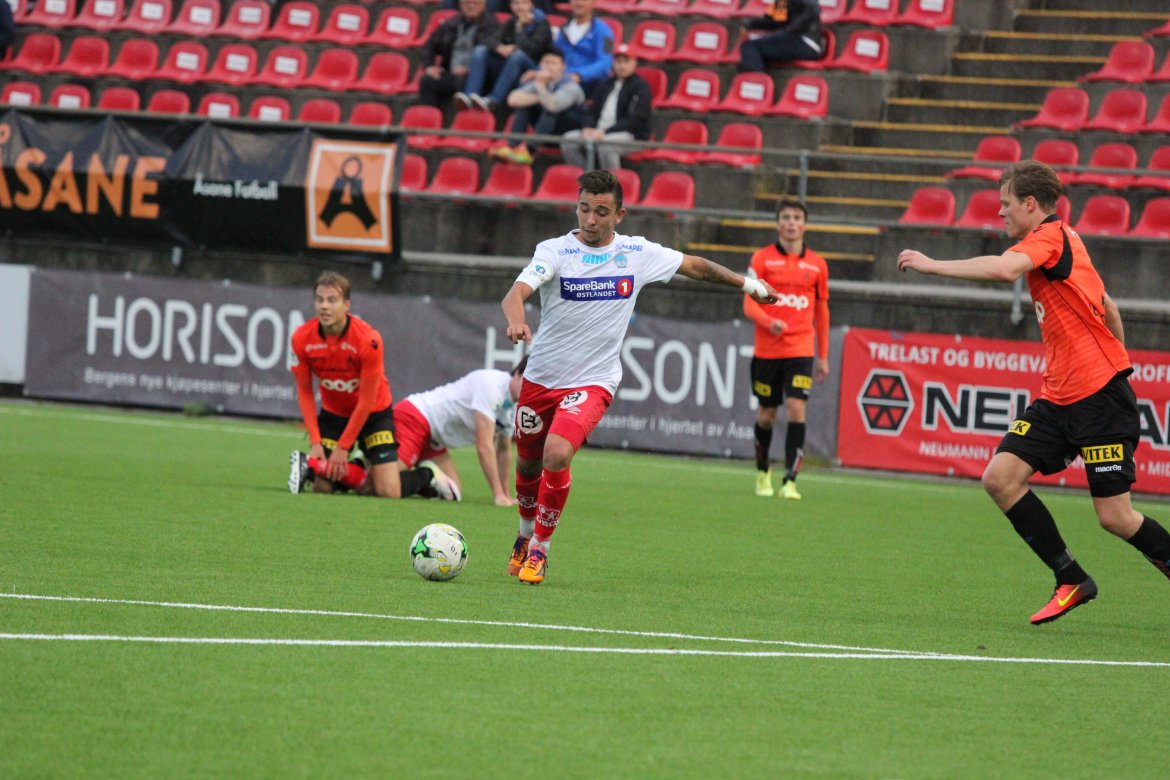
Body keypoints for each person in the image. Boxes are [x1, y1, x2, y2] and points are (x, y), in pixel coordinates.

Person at [897, 160, 1170, 625]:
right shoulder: (1063, 242)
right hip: (1059, 396)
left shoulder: (1050, 236)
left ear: (1029, 204)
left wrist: (931, 264)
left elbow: (1005, 270)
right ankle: (1071, 578)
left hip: (1099, 399)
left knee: (1115, 517)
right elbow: (1108, 307)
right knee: (1000, 478)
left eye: (1005, 204)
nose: (999, 212)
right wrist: (1116, 359)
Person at [501, 169, 780, 584]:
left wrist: (750, 286)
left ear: (619, 215)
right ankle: (524, 534)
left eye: (601, 212)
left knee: (556, 454)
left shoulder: (636, 252)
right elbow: (516, 293)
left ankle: (540, 548)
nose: (590, 219)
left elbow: (696, 266)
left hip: (593, 381)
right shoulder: (555, 250)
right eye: (583, 209)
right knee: (527, 465)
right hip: (541, 378)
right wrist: (516, 320)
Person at [287, 272, 457, 501]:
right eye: (319, 300)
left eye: (332, 300)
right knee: (322, 487)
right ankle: (356, 468)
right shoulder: (301, 338)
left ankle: (427, 475)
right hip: (334, 416)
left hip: (374, 414)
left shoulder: (368, 339)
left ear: (347, 304)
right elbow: (305, 392)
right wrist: (316, 442)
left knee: (388, 491)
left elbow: (366, 400)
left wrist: (343, 447)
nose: (324, 306)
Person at [743, 200, 829, 501]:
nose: (791, 222)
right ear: (778, 223)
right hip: (767, 351)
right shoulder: (762, 259)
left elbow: (822, 311)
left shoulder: (818, 265)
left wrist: (823, 355)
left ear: (804, 224)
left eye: (797, 217)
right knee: (767, 414)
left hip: (801, 349)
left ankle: (790, 480)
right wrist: (770, 322)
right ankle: (762, 471)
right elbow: (748, 304)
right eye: (786, 217)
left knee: (796, 408)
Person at [394, 361, 526, 507]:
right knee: (387, 482)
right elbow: (484, 446)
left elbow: (503, 450)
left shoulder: (515, 407)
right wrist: (498, 494)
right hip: (417, 417)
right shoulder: (492, 385)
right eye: (527, 382)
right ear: (517, 374)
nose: (529, 389)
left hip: (433, 439)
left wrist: (505, 493)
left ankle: (427, 475)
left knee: (452, 490)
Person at [560, 44, 652, 171]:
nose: (622, 66)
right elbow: (592, 111)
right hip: (598, 131)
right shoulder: (605, 84)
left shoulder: (641, 87)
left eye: (626, 62)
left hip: (630, 135)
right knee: (568, 140)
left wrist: (605, 132)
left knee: (606, 146)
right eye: (618, 62)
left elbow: (635, 119)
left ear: (634, 63)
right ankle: (586, 179)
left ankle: (610, 183)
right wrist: (587, 127)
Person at [492, 48, 585, 165]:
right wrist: (540, 96)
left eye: (553, 63)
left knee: (549, 109)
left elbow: (553, 106)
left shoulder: (571, 86)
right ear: (540, 65)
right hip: (546, 133)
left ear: (563, 66)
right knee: (524, 106)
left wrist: (540, 87)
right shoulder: (539, 82)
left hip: (568, 134)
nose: (549, 67)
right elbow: (512, 100)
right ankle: (512, 146)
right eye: (545, 62)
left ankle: (530, 151)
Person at [456, 0, 552, 114]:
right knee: (480, 50)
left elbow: (531, 51)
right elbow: (490, 40)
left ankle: (493, 101)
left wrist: (520, 29)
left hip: (533, 68)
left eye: (524, 3)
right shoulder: (512, 21)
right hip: (510, 66)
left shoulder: (541, 24)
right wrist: (500, 48)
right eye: (515, 3)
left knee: (517, 55)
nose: (519, 7)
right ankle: (470, 96)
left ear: (532, 5)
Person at [416, 0, 500, 110]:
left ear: (483, 6)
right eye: (467, 3)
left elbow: (494, 56)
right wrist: (429, 66)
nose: (471, 6)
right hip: (451, 72)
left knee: (462, 82)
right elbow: (429, 46)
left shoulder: (492, 26)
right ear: (460, 5)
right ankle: (428, 117)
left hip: (477, 77)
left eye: (475, 3)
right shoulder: (451, 24)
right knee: (427, 81)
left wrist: (470, 69)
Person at [737, 0, 824, 74]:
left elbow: (813, 10)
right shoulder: (781, 2)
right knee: (751, 48)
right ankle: (756, 80)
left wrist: (786, 32)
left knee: (751, 47)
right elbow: (773, 21)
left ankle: (757, 83)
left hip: (806, 42)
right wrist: (750, 23)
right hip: (792, 38)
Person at [552, 0, 614, 101]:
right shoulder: (563, 28)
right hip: (561, 77)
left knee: (556, 97)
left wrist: (579, 75)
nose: (579, 3)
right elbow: (554, 56)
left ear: (593, 3)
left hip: (587, 82)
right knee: (533, 85)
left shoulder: (603, 31)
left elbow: (605, 63)